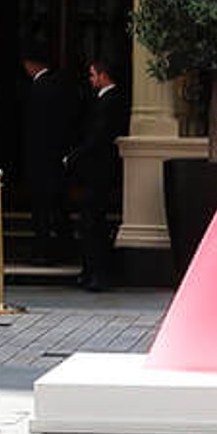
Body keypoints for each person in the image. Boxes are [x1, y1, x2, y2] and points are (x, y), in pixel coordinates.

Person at [69, 58, 130, 291]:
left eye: (92, 75)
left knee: (94, 222)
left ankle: (98, 273)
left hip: (100, 171)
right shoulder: (101, 100)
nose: (90, 79)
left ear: (103, 76)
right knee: (90, 222)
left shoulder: (111, 101)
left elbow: (99, 136)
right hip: (95, 170)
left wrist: (75, 155)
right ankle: (91, 271)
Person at [19, 54, 81, 264]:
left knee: (42, 208)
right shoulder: (57, 86)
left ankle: (43, 251)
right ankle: (66, 248)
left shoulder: (39, 88)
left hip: (41, 160)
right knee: (57, 206)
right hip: (55, 159)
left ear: (30, 64)